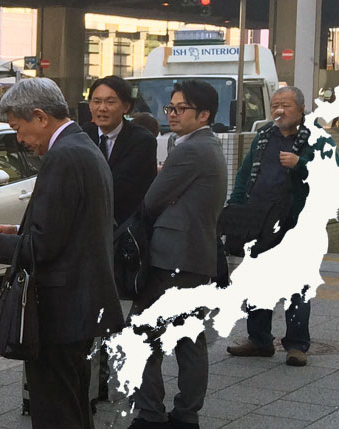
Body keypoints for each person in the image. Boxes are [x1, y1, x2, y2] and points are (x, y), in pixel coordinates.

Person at [0, 77, 124, 428]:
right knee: (73, 401)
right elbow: (73, 228)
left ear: (39, 116)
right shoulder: (83, 146)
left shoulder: (64, 156)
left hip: (61, 307)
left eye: (18, 129)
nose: (19, 140)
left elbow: (45, 246)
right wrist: (19, 230)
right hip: (81, 303)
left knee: (55, 408)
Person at [129, 80, 228, 429]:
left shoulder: (191, 149)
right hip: (193, 257)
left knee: (140, 334)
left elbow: (152, 200)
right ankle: (185, 416)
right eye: (170, 108)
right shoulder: (204, 145)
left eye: (180, 109)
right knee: (188, 338)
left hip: (174, 259)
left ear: (204, 114)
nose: (171, 114)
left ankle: (151, 415)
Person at [224, 86, 339, 367]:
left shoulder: (317, 138)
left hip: (299, 224)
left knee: (298, 287)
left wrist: (300, 164)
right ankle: (259, 340)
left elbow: (335, 176)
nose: (279, 110)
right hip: (260, 221)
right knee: (256, 283)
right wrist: (235, 207)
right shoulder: (264, 136)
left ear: (301, 109)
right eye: (275, 105)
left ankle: (297, 345)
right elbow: (245, 174)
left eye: (286, 105)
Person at [83, 76, 158, 226]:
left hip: (124, 228)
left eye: (110, 102)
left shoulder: (142, 141)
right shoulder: (81, 135)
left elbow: (119, 186)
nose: (102, 108)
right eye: (96, 101)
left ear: (126, 107)